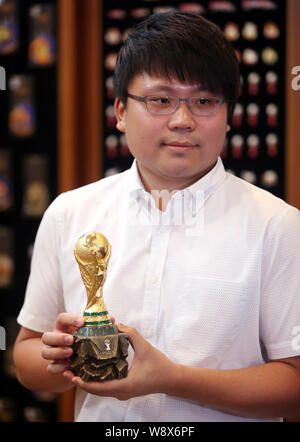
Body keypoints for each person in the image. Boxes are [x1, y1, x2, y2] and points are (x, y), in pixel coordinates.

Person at [13, 12, 300, 422]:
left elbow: (295, 383)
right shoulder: (69, 213)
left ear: (228, 114)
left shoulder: (278, 227)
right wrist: (60, 359)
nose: (183, 120)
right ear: (120, 112)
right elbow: (27, 357)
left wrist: (171, 378)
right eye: (160, 100)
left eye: (203, 101)